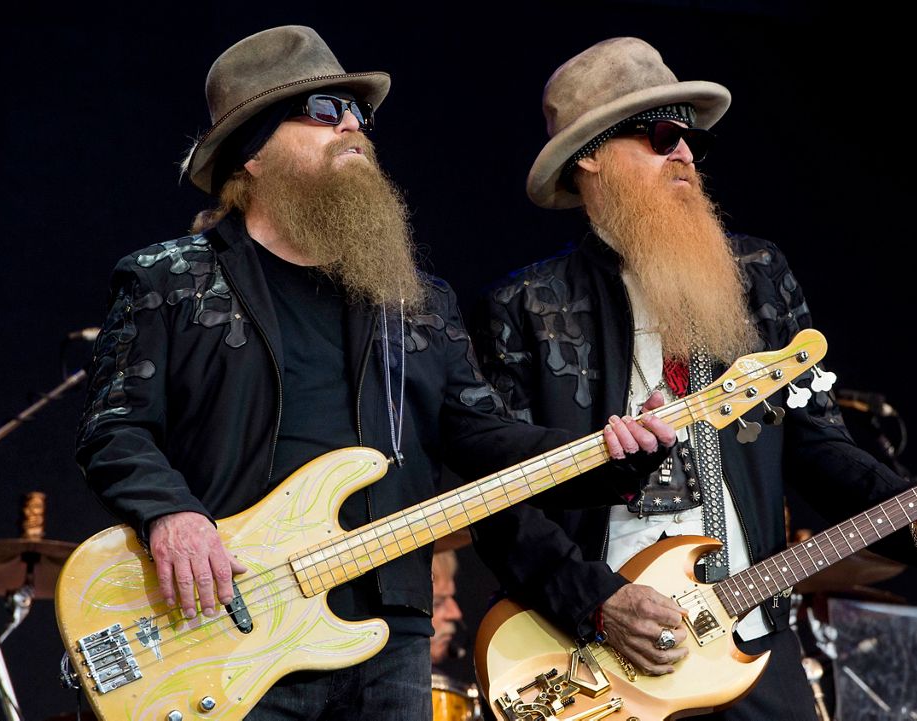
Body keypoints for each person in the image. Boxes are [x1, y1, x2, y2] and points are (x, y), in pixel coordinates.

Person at [75, 26, 674, 721]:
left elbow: (486, 441)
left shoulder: (415, 302)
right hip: (224, 626)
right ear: (253, 154)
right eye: (324, 110)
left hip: (388, 638)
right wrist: (171, 514)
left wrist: (607, 454)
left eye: (359, 113)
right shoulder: (170, 279)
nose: (354, 126)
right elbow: (114, 426)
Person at [470, 37, 917, 720]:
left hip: (750, 641)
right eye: (660, 134)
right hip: (593, 656)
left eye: (692, 140)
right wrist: (598, 602)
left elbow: (822, 447)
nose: (684, 152)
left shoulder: (756, 276)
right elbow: (500, 504)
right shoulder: (525, 307)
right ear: (588, 154)